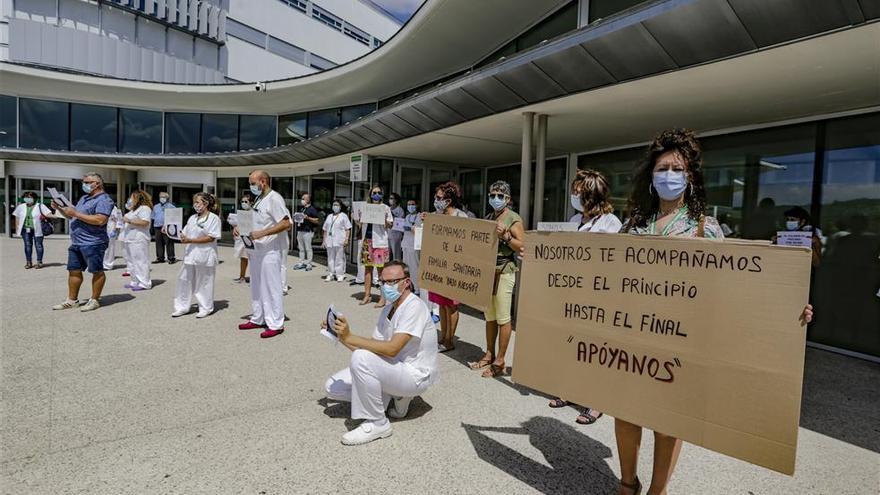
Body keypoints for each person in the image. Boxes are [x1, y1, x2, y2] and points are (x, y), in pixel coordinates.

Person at [615, 129, 813, 495]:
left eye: (676, 168)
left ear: (689, 178)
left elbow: (734, 289)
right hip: (634, 333)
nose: (668, 175)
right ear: (651, 176)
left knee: (668, 422)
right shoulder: (634, 225)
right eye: (662, 168)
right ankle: (627, 484)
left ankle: (658, 491)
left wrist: (786, 307)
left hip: (681, 340)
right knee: (625, 412)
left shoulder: (705, 229)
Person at [323, 261, 438, 445]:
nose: (386, 287)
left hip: (414, 375)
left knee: (361, 359)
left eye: (392, 282)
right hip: (393, 369)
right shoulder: (388, 308)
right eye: (383, 282)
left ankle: (378, 423)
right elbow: (373, 349)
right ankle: (396, 396)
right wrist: (340, 336)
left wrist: (350, 336)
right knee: (332, 387)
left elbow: (392, 349)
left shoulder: (414, 306)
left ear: (406, 282)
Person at [547, 169, 622, 424]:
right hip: (572, 293)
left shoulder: (610, 223)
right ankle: (570, 390)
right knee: (572, 345)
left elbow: (612, 263)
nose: (574, 196)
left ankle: (596, 402)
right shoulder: (573, 219)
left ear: (592, 195)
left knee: (594, 350)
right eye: (573, 192)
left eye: (578, 193)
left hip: (597, 297)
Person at [464, 181, 525, 378]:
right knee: (489, 315)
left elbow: (522, 246)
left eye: (500, 195)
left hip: (505, 270)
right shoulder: (490, 217)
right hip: (488, 270)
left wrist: (506, 236)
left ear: (507, 199)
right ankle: (489, 353)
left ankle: (500, 360)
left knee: (503, 317)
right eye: (492, 195)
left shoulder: (514, 219)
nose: (495, 198)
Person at [235, 170, 292, 338]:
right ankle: (258, 317)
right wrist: (241, 228)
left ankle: (276, 323)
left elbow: (286, 223)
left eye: (253, 183)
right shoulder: (259, 199)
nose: (251, 187)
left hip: (269, 250)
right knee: (256, 286)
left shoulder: (275, 198)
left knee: (272, 286)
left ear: (263, 181)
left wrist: (263, 233)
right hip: (255, 250)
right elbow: (256, 220)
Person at [51, 172, 115, 312]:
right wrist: (60, 209)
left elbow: (100, 220)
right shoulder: (84, 198)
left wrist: (75, 213)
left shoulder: (104, 200)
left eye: (87, 182)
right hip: (77, 242)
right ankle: (72, 300)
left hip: (93, 242)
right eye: (84, 182)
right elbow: (72, 216)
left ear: (97, 184)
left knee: (96, 271)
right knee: (73, 271)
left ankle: (94, 300)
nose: (84, 184)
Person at [425, 181, 469, 352]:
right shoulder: (435, 216)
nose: (436, 201)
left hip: (454, 267)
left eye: (439, 198)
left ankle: (450, 339)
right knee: (441, 303)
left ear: (448, 201)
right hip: (438, 265)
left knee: (451, 304)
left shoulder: (461, 217)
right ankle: (443, 337)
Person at [172, 192, 221, 318]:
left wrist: (191, 240)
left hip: (205, 256)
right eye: (194, 202)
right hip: (190, 255)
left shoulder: (213, 219)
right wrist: (179, 234)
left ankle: (205, 307)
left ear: (206, 203)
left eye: (198, 202)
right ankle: (182, 306)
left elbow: (211, 237)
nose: (195, 205)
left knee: (204, 282)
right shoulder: (192, 218)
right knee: (184, 280)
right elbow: (185, 232)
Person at [355, 185, 394, 307]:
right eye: (374, 192)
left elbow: (390, 225)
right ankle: (367, 295)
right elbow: (360, 224)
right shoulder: (365, 208)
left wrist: (384, 219)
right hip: (368, 241)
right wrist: (358, 218)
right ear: (370, 194)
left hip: (380, 243)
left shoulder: (385, 208)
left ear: (382, 195)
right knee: (367, 269)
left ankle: (383, 298)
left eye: (379, 193)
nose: (376, 195)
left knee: (380, 270)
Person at [122, 190, 154, 291]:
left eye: (132, 197)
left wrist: (129, 220)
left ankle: (145, 282)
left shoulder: (144, 208)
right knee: (131, 261)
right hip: (129, 238)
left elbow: (145, 222)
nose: (130, 200)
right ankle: (134, 280)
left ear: (138, 198)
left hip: (139, 239)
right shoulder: (133, 210)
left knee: (140, 261)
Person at [13, 191, 54, 269]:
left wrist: (57, 215)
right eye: (26, 197)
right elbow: (17, 216)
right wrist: (17, 228)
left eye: (29, 197)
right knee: (27, 246)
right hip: (25, 229)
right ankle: (29, 262)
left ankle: (39, 262)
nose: (27, 199)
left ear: (34, 198)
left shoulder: (40, 206)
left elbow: (48, 214)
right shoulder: (21, 206)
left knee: (38, 245)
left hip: (37, 229)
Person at [322, 199, 352, 282]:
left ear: (340, 207)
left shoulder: (343, 216)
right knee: (330, 258)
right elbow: (325, 229)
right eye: (334, 205)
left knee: (339, 258)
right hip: (329, 240)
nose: (335, 206)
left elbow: (348, 229)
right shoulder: (329, 216)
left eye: (337, 205)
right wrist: (324, 241)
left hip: (339, 240)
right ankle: (331, 273)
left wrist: (346, 239)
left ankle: (340, 274)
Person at [293, 193, 320, 271]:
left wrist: (308, 218)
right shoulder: (302, 208)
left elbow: (317, 220)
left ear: (308, 200)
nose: (302, 200)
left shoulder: (312, 209)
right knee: (301, 248)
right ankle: (301, 262)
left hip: (308, 231)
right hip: (300, 230)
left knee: (308, 248)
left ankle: (309, 264)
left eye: (303, 199)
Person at [231, 192, 254, 283]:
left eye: (246, 201)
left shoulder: (255, 213)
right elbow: (238, 224)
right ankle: (242, 277)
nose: (243, 203)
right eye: (242, 201)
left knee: (253, 259)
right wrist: (235, 228)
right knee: (243, 258)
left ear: (251, 202)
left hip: (252, 238)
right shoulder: (241, 213)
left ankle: (254, 278)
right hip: (243, 238)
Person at [401, 199, 423, 293]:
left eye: (412, 204)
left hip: (415, 245)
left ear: (417, 205)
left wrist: (412, 229)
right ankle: (409, 286)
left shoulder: (420, 216)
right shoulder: (407, 216)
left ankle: (417, 288)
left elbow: (421, 230)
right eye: (409, 204)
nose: (410, 206)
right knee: (406, 267)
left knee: (415, 267)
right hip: (406, 244)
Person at [151, 191, 177, 264]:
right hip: (157, 226)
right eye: (161, 197)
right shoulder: (156, 206)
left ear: (167, 198)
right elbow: (152, 217)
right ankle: (160, 258)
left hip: (167, 226)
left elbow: (175, 217)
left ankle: (171, 258)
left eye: (164, 197)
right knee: (158, 243)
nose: (162, 198)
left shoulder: (171, 207)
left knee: (169, 242)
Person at [102, 203, 124, 271]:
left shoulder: (115, 209)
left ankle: (108, 265)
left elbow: (119, 220)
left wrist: (116, 230)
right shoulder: (100, 206)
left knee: (110, 247)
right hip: (100, 229)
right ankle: (100, 263)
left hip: (111, 229)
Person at [387, 192, 405, 261]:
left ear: (396, 200)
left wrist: (392, 215)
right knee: (387, 255)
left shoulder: (400, 210)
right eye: (389, 198)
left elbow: (400, 222)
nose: (390, 200)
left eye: (392, 198)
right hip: (388, 235)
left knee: (396, 256)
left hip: (396, 236)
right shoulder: (387, 209)